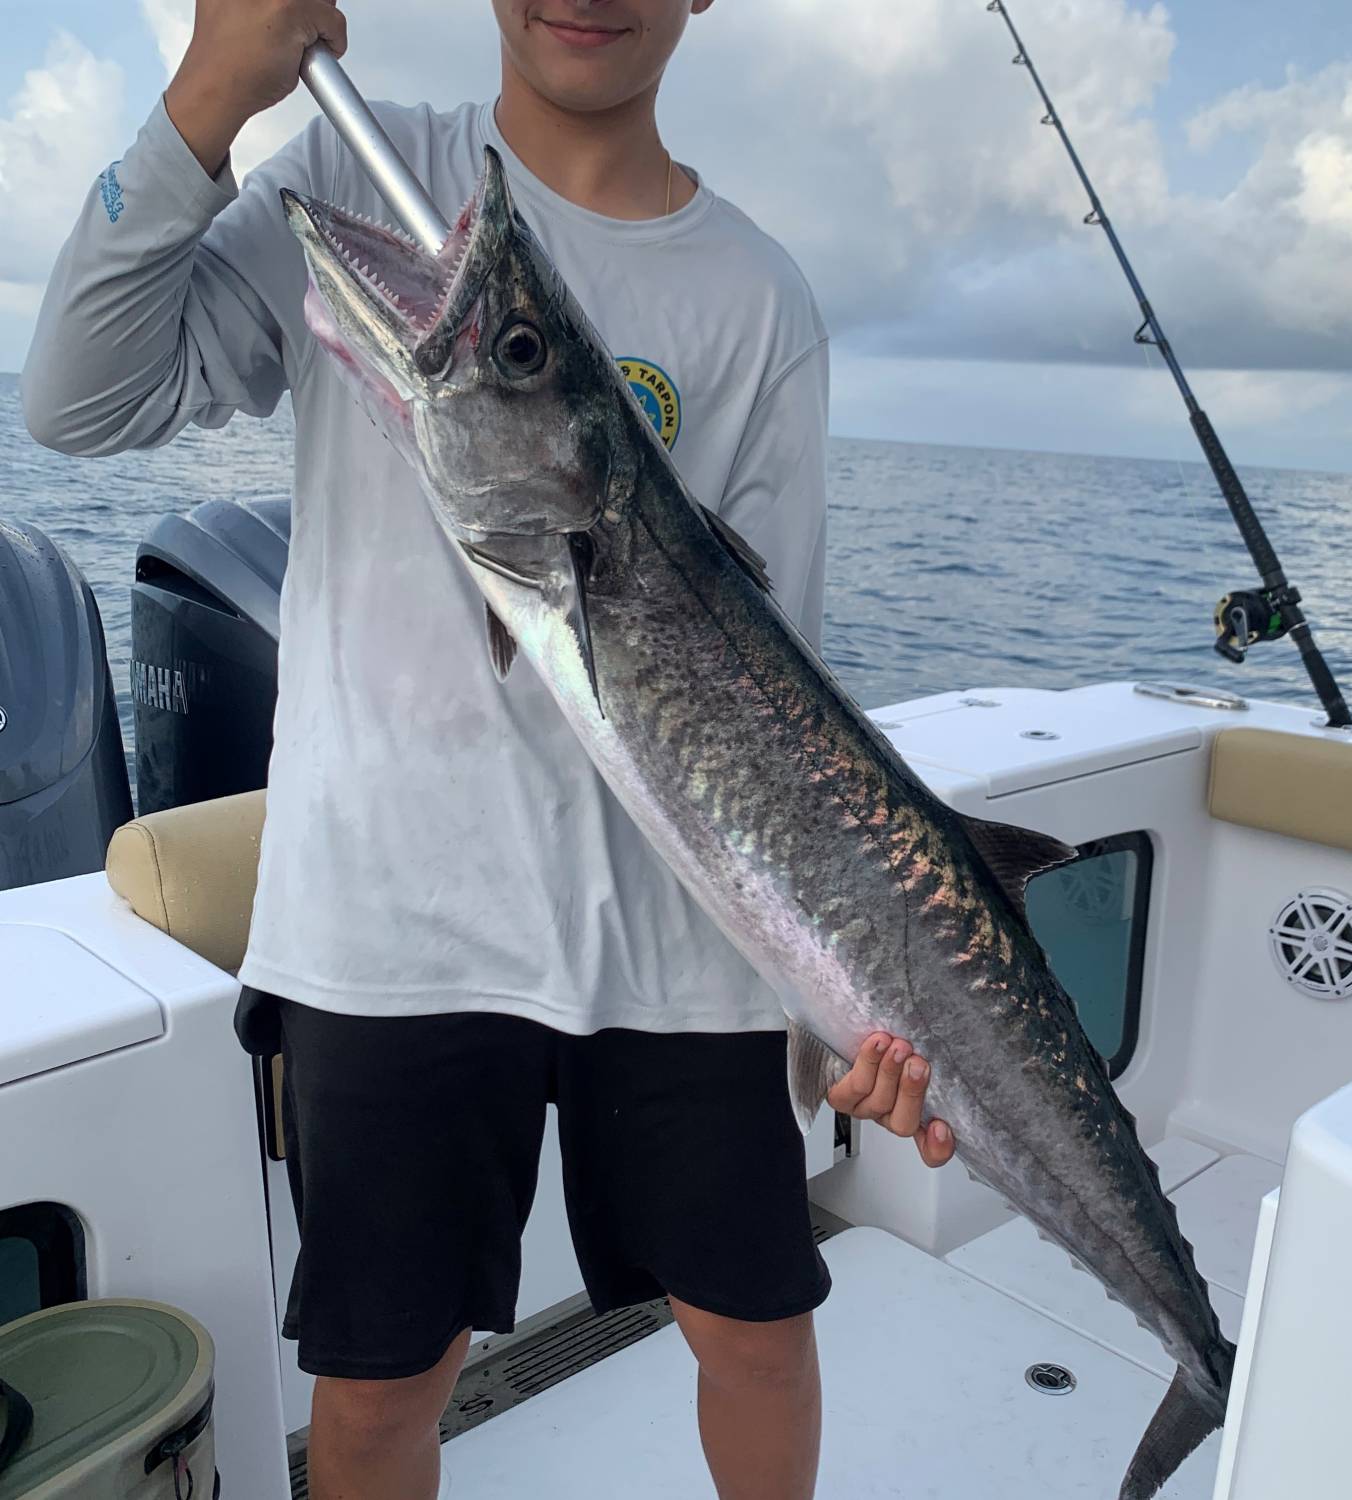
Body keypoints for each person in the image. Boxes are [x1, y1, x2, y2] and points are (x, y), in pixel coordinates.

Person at [22, 4, 957, 1498]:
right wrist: (203, 105)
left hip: (681, 939)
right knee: (383, 1396)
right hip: (395, 927)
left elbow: (781, 684)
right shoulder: (361, 175)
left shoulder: (756, 297)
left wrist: (850, 993)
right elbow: (79, 399)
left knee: (763, 1338)